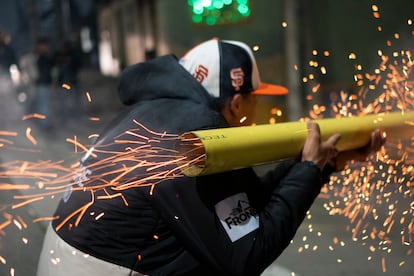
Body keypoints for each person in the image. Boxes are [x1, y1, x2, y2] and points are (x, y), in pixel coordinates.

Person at [37, 38, 385, 276]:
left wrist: (322, 163)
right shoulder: (197, 136)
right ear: (236, 103)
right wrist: (308, 169)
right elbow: (248, 253)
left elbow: (246, 205)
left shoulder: (162, 112)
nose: (258, 109)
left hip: (73, 260)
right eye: (255, 99)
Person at [33, 37, 54, 129]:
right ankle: (43, 124)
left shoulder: (45, 57)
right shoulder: (39, 58)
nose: (46, 47)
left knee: (45, 104)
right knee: (43, 105)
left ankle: (44, 123)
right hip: (41, 84)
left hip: (45, 84)